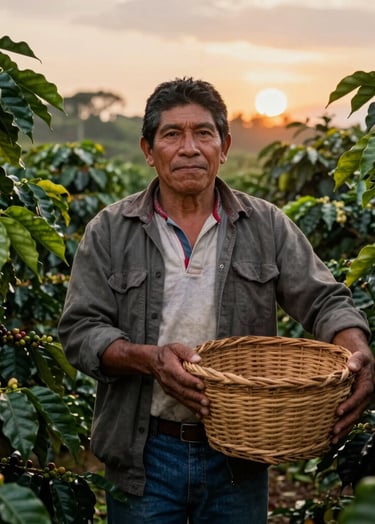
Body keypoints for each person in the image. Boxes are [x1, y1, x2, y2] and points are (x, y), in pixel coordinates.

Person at [58, 77, 374, 524]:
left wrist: (358, 350)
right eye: (172, 134)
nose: (189, 148)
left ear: (223, 146)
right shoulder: (110, 231)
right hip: (144, 453)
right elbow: (80, 330)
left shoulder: (266, 225)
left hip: (240, 454)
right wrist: (150, 359)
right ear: (149, 150)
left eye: (203, 133)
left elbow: (324, 300)